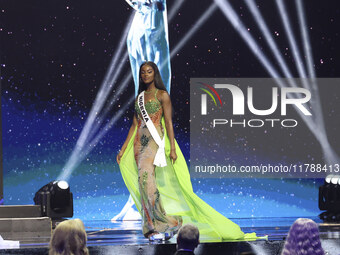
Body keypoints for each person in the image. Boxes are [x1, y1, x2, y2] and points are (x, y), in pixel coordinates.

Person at [117, 61, 259, 241]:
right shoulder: (139, 98)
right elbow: (135, 125)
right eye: (143, 72)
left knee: (147, 181)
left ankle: (163, 223)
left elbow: (168, 122)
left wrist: (173, 148)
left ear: (155, 74)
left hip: (155, 143)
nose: (146, 75)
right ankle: (160, 224)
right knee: (143, 183)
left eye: (149, 71)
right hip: (139, 144)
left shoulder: (162, 95)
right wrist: (123, 149)